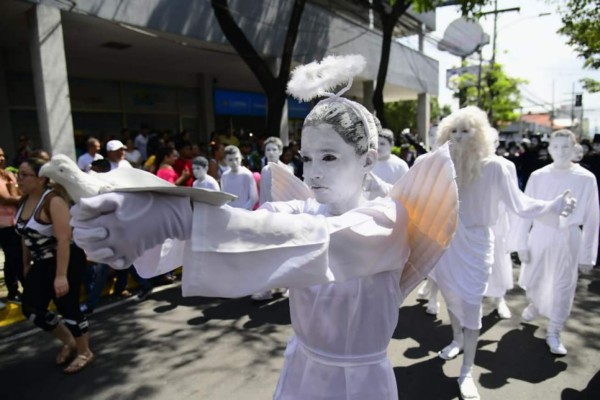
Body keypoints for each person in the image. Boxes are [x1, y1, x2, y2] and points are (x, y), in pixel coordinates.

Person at [70, 54, 459, 399]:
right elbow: (255, 226)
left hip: (360, 384)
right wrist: (144, 215)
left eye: (329, 156)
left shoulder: (387, 220)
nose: (314, 172)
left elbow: (313, 243)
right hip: (301, 370)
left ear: (368, 159)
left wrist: (181, 217)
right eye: (307, 158)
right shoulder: (305, 210)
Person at [429, 106, 576, 400]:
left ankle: (467, 371)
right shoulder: (441, 164)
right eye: (452, 131)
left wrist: (553, 206)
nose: (458, 136)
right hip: (445, 244)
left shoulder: (496, 167)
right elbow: (417, 195)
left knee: (471, 305)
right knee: (452, 299)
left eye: (465, 130)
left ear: (480, 133)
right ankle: (457, 339)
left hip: (477, 245)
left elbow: (520, 204)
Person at [513, 129, 599, 355]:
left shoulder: (586, 179)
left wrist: (587, 255)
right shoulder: (538, 176)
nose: (560, 152)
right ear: (549, 149)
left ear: (574, 149)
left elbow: (592, 218)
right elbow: (526, 210)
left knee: (563, 285)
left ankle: (554, 330)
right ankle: (535, 302)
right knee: (536, 276)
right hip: (540, 234)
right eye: (556, 147)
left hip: (568, 237)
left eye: (565, 147)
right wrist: (521, 242)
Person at [16, 157, 93, 373]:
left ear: (40, 179)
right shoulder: (24, 200)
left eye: (24, 175)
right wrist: (26, 263)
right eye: (18, 174)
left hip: (65, 260)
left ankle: (84, 351)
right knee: (31, 309)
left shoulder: (54, 201)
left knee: (68, 307)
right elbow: (24, 235)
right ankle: (68, 340)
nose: (18, 179)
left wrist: (61, 276)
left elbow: (63, 240)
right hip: (41, 263)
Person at [0, 147, 24, 304]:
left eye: (2, 155)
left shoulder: (8, 175)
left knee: (20, 256)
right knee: (12, 257)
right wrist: (19, 196)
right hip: (3, 225)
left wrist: (15, 192)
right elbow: (7, 199)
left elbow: (17, 194)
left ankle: (25, 287)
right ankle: (13, 291)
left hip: (15, 221)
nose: (1, 158)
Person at [220, 145, 258, 210]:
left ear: (241, 157)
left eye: (236, 159)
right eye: (230, 160)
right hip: (229, 212)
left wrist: (243, 211)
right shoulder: (224, 175)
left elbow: (254, 198)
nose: (234, 162)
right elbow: (223, 196)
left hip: (244, 213)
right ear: (225, 161)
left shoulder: (247, 174)